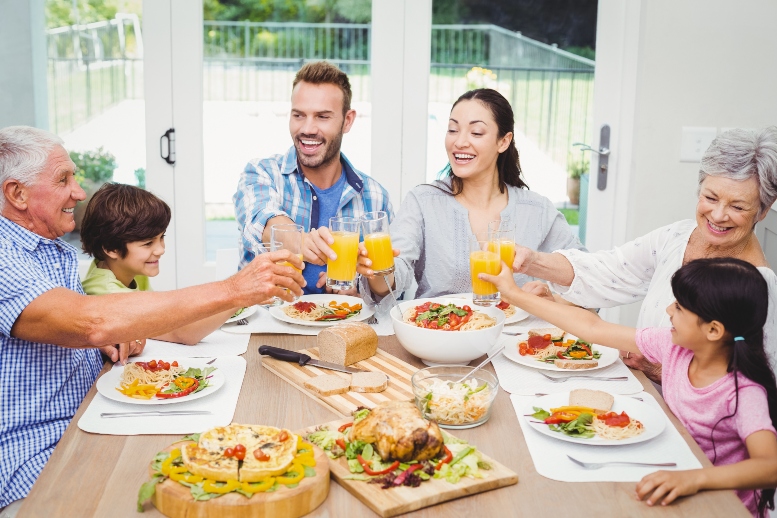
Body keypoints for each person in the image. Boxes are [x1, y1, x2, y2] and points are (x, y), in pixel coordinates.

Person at [0, 126, 305, 511]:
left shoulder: (50, 251)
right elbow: (89, 322)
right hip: (38, 457)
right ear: (17, 193)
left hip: (90, 417)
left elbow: (81, 327)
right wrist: (234, 290)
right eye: (64, 179)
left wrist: (107, 340)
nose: (78, 192)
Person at [483, 257, 777, 517]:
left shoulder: (743, 392)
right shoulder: (675, 348)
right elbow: (593, 329)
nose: (668, 310)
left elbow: (770, 467)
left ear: (713, 330)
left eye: (679, 307)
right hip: (667, 471)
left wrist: (695, 479)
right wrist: (515, 295)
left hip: (714, 502)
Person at [510, 127, 777, 382]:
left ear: (763, 210)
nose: (718, 215)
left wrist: (664, 371)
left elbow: (752, 386)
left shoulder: (758, 285)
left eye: (738, 206)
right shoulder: (676, 237)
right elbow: (608, 271)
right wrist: (532, 261)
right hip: (644, 389)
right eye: (710, 197)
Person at [357, 88, 584, 309]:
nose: (459, 142)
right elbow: (390, 280)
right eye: (453, 130)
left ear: (503, 141)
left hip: (515, 342)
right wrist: (375, 268)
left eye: (476, 133)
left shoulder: (537, 210)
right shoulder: (423, 201)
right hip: (440, 337)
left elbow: (586, 277)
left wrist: (553, 300)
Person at [233, 60, 393, 294]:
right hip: (267, 324)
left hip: (341, 324)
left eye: (322, 117)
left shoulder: (376, 197)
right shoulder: (262, 173)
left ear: (347, 121)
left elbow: (388, 286)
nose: (307, 128)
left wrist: (359, 290)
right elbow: (261, 218)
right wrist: (301, 240)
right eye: (299, 115)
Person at [80, 183, 236, 344]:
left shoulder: (118, 266)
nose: (160, 249)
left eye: (161, 237)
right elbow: (182, 332)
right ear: (111, 248)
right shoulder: (107, 293)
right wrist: (239, 296)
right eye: (148, 243)